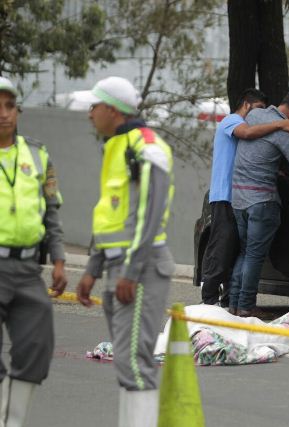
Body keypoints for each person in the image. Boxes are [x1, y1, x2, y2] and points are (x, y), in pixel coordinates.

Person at [75, 76, 174, 426]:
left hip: (141, 268)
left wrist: (130, 271)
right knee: (126, 361)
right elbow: (112, 216)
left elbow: (148, 214)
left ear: (113, 110)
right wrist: (92, 268)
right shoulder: (115, 146)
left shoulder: (146, 147)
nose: (90, 114)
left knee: (135, 360)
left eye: (94, 106)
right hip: (118, 266)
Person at [0, 77, 67, 427]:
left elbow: (51, 213)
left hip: (28, 268)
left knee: (35, 347)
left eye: (9, 105)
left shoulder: (38, 155)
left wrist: (58, 259)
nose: (3, 113)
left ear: (18, 111)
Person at [200, 89, 289, 307]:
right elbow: (247, 134)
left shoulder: (250, 126)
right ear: (246, 105)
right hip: (224, 195)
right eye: (258, 109)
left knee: (236, 250)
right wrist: (280, 125)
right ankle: (208, 300)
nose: (260, 114)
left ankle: (228, 300)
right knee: (221, 248)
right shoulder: (231, 121)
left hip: (239, 196)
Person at [229, 92, 289, 317]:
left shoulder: (254, 115)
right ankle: (247, 305)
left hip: (238, 199)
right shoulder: (285, 133)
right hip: (262, 201)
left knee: (244, 252)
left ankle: (234, 304)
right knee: (255, 255)